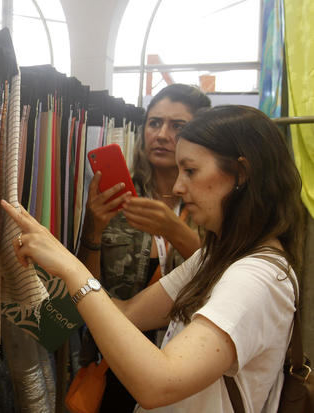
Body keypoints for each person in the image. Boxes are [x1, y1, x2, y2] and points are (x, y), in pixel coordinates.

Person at [1, 105, 305, 412]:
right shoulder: (217, 256)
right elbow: (127, 313)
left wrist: (70, 268)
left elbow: (158, 384)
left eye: (191, 171)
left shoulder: (255, 277)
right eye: (155, 123)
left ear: (240, 173)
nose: (178, 186)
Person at [78, 84, 211, 411]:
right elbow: (87, 285)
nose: (162, 134)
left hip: (188, 361)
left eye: (178, 126)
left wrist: (175, 230)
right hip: (116, 358)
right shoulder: (119, 193)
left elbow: (223, 274)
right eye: (155, 123)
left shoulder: (211, 202)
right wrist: (92, 233)